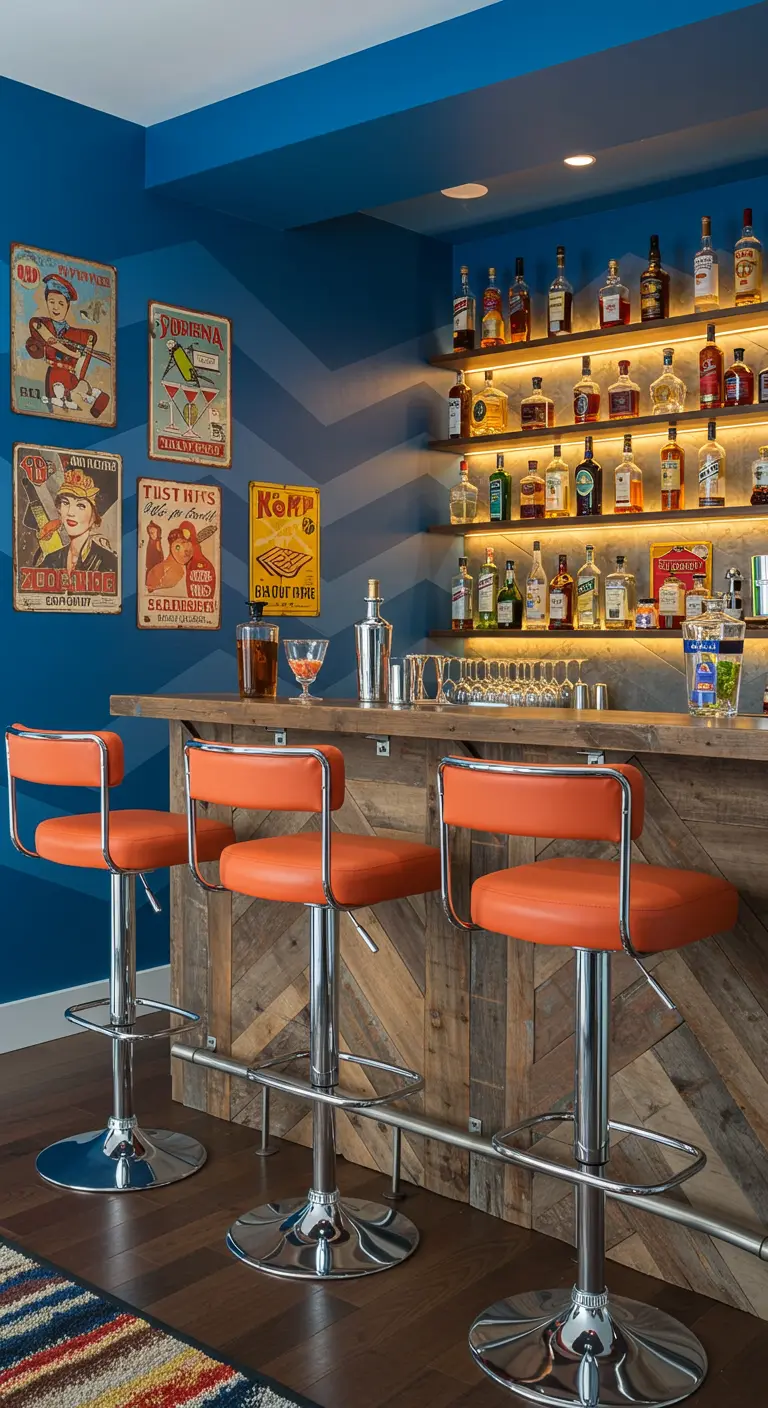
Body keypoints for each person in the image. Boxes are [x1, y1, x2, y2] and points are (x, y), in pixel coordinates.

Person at [25, 274, 109, 416]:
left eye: (61, 303)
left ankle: (97, 398)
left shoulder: (76, 334)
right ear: (46, 302)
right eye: (51, 302)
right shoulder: (39, 324)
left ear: (67, 306)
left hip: (71, 376)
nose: (55, 308)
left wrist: (79, 367)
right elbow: (52, 341)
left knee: (82, 389)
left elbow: (87, 346)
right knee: (56, 401)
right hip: (54, 374)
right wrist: (73, 353)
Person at [39, 467, 118, 576]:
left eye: (81, 505)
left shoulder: (108, 562)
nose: (70, 512)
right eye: (66, 503)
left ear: (95, 516)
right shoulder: (50, 560)